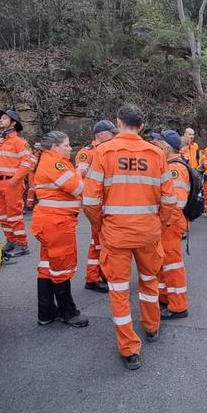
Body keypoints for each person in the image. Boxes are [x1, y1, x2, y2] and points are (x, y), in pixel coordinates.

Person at [83, 104, 176, 370]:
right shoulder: (157, 154)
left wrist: (100, 225)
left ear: (118, 122)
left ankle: (129, 348)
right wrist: (158, 223)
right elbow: (169, 198)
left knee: (119, 290)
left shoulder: (103, 152)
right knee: (149, 281)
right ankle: (152, 326)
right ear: (143, 126)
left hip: (116, 234)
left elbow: (90, 201)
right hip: (148, 232)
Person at [31, 131, 88, 328]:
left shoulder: (48, 161)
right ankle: (68, 313)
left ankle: (45, 312)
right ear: (55, 147)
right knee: (62, 268)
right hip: (57, 224)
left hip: (49, 222)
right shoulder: (56, 163)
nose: (70, 148)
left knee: (48, 267)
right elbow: (77, 188)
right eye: (67, 144)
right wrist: (80, 171)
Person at [0, 109, 36, 256]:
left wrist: (14, 181)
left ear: (13, 122)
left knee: (14, 215)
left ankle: (22, 244)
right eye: (1, 118)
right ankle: (11, 241)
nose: (0, 120)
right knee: (1, 216)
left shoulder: (19, 142)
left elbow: (27, 164)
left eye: (4, 118)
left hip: (11, 183)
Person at [75, 120, 118, 293]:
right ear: (101, 134)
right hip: (95, 203)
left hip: (106, 203)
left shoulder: (109, 150)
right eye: (111, 132)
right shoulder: (87, 152)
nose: (115, 135)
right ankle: (93, 278)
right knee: (97, 243)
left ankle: (100, 275)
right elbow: (80, 176)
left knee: (102, 242)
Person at [150, 130, 190, 320]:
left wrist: (163, 220)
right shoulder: (170, 165)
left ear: (166, 147)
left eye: (158, 143)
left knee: (172, 266)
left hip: (170, 224)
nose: (154, 146)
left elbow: (177, 202)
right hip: (168, 223)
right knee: (164, 264)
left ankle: (178, 306)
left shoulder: (175, 169)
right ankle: (165, 298)